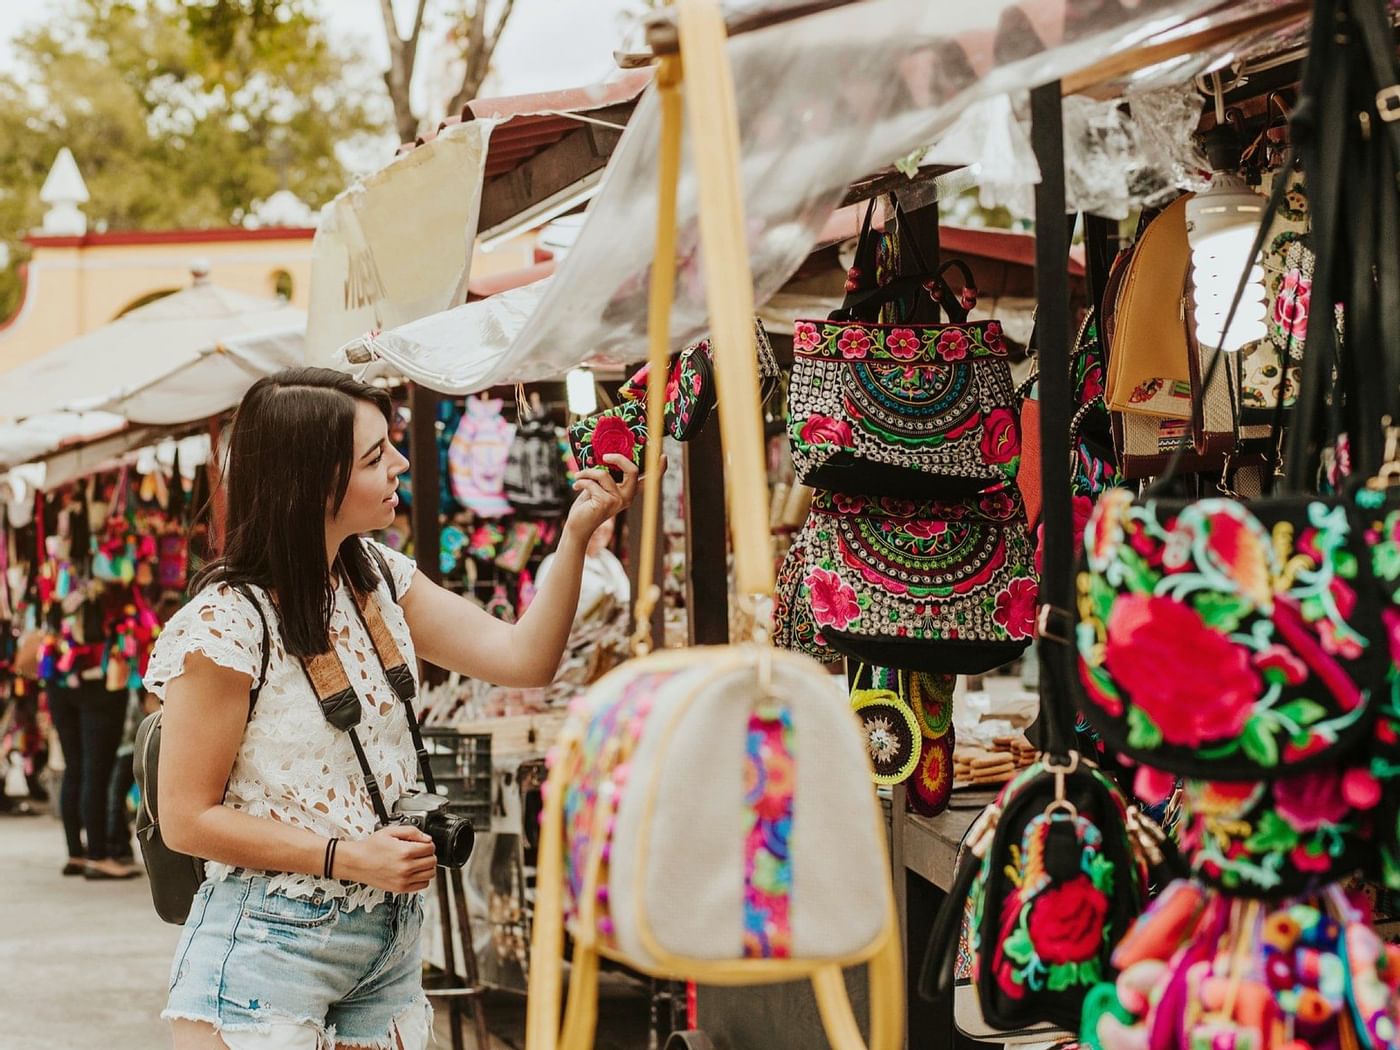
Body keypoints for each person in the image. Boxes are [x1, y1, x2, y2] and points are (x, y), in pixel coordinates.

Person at [147, 368, 648, 1050]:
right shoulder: (225, 625)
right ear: (310, 480)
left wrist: (578, 533)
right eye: (375, 456)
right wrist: (347, 857)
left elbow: (524, 658)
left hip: (388, 941)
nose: (402, 465)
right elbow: (186, 819)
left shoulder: (376, 576)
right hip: (268, 947)